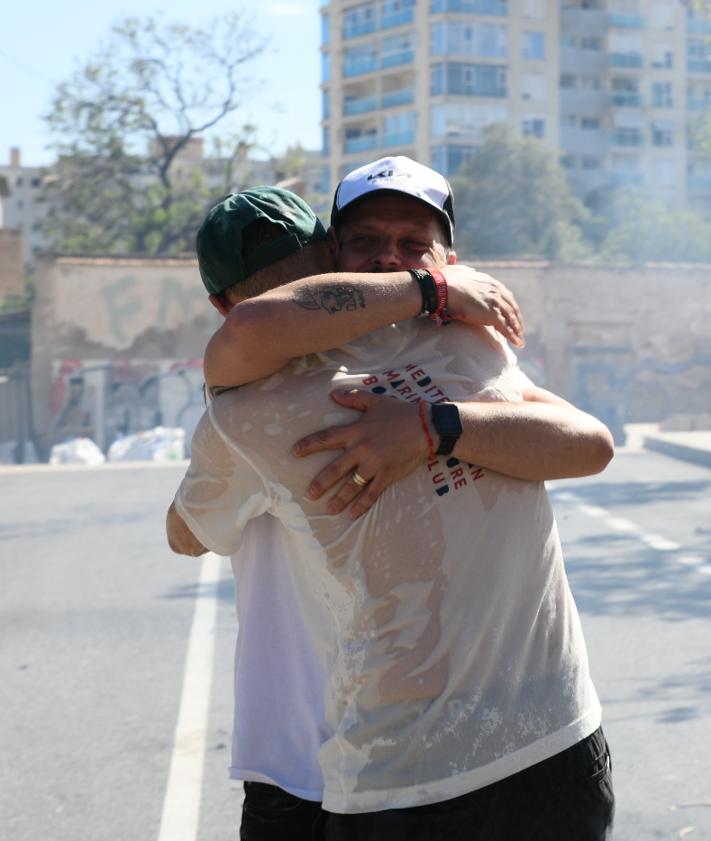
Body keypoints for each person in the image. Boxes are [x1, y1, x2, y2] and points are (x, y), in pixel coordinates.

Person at [168, 161, 615, 839]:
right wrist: (432, 284)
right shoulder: (243, 410)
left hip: (544, 741)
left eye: (414, 243)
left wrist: (431, 428)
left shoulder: (465, 342)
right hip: (344, 759)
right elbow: (186, 524)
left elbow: (589, 442)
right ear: (336, 254)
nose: (388, 255)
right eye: (368, 239)